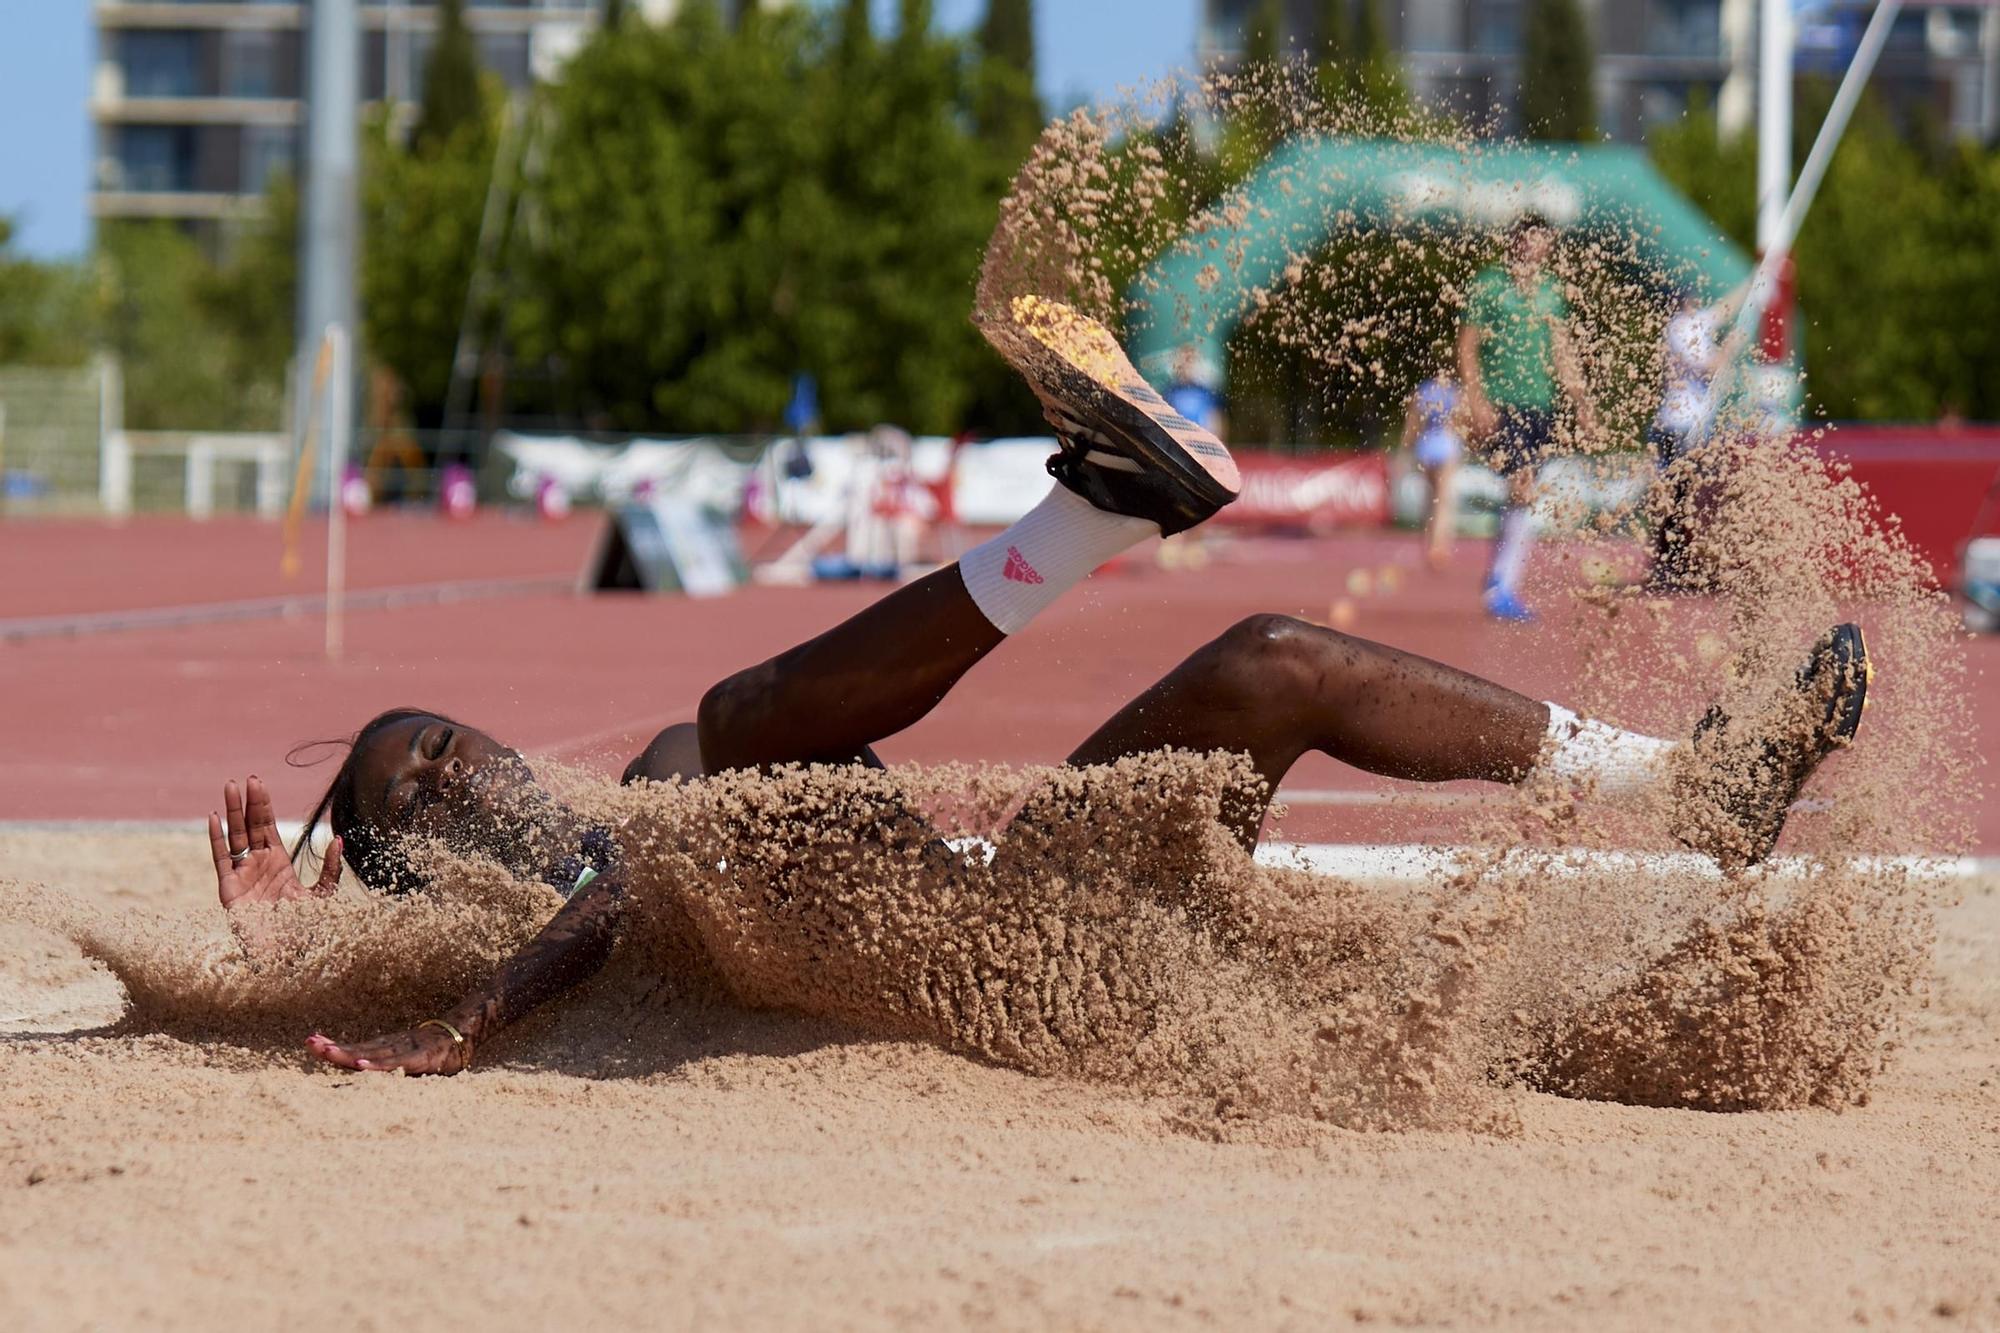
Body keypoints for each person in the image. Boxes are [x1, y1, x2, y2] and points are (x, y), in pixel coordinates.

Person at [205, 301, 1872, 1077]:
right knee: (709, 743)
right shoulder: (564, 921)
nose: (458, 758)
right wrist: (418, 1004)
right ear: (432, 858)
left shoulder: (627, 811)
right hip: (1020, 978)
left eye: (439, 736)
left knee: (1271, 657)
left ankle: (1689, 790)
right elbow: (585, 907)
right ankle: (1088, 517)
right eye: (422, 788)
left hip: (1049, 907)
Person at [1457, 214, 1599, 622]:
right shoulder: (1489, 285)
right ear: (1514, 241)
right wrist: (1476, 398)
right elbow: (1467, 347)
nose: (1534, 247)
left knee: (1524, 490)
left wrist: (1582, 402)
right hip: (1503, 401)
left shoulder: (1553, 292)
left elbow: (1562, 351)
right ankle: (1500, 584)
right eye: (1527, 239)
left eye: (1542, 240)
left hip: (1541, 404)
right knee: (1521, 486)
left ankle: (1500, 580)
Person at [1646, 281, 1749, 591]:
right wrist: (1729, 349)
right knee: (1678, 498)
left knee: (1689, 497)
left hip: (1692, 427)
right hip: (1677, 426)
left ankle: (1681, 561)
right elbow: (1708, 368)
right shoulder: (1679, 329)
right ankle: (1669, 565)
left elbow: (1726, 308)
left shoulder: (1695, 323)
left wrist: (1757, 278)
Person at [1400, 373, 1466, 572]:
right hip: (1446, 444)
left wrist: (1406, 448)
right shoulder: (1453, 391)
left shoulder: (1423, 390)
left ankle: (1428, 541)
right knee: (1442, 499)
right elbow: (1460, 420)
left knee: (1430, 498)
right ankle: (1439, 545)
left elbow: (1412, 423)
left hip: (1426, 445)